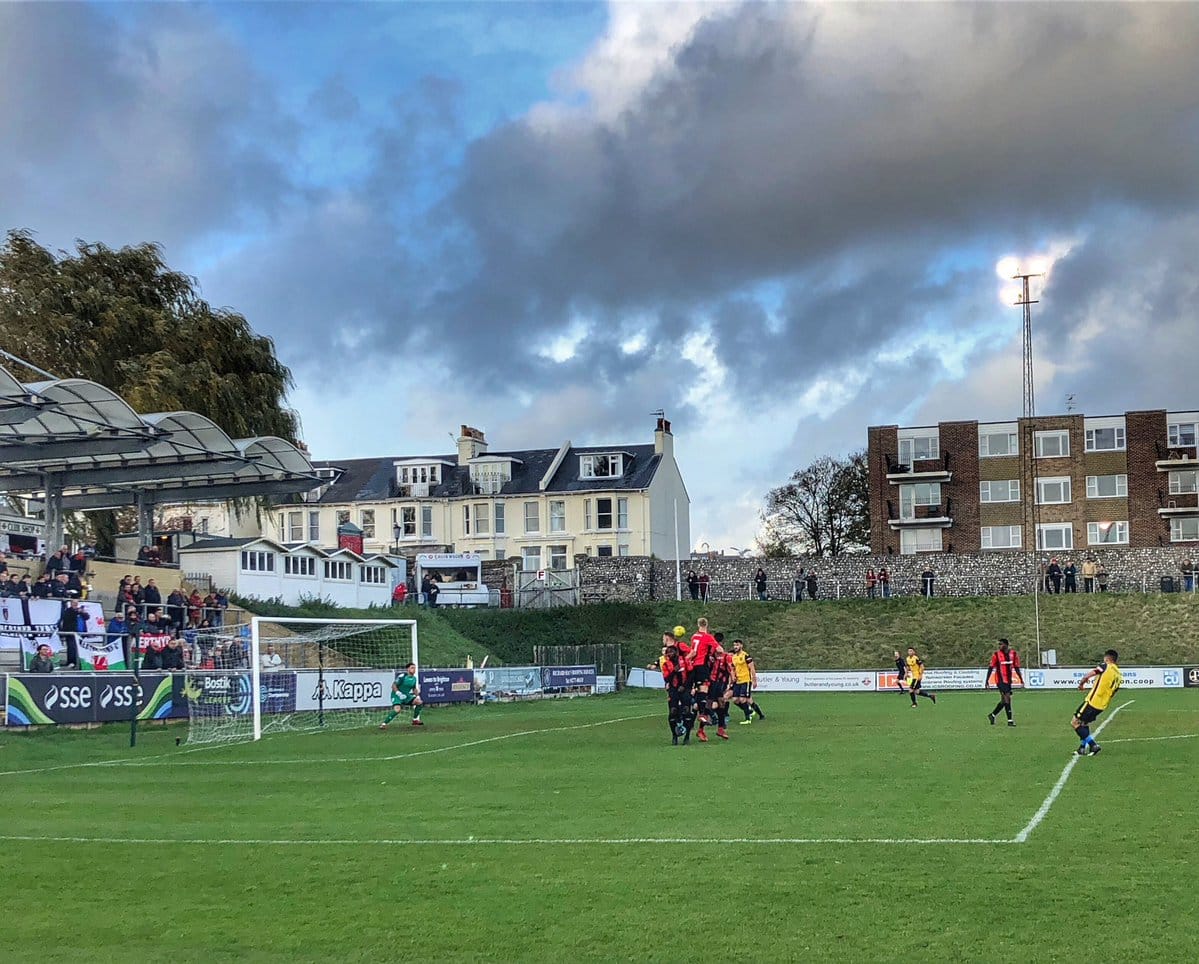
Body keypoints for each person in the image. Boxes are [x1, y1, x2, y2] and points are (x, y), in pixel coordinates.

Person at [1072, 650, 1123, 756]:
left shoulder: (1105, 666)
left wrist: (1081, 684)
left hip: (1092, 701)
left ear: (1107, 658)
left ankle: (1093, 745)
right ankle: (1082, 748)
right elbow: (1114, 692)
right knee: (1084, 723)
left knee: (1075, 722)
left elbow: (1089, 675)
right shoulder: (1118, 674)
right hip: (1102, 705)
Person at [688, 617, 719, 734]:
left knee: (697, 691)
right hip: (702, 667)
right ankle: (703, 714)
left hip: (693, 666)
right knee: (704, 690)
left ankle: (696, 722)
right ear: (707, 625)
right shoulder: (708, 637)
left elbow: (693, 651)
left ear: (698, 624)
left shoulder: (694, 636)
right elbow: (719, 649)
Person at [985, 638, 1024, 726]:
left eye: (1001, 644)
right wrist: (987, 680)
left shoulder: (1013, 654)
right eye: (999, 644)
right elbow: (991, 668)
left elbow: (1017, 667)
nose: (999, 646)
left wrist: (1021, 679)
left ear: (1006, 645)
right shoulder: (996, 655)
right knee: (1007, 698)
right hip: (1000, 680)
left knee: (1004, 701)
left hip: (1008, 681)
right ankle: (1010, 721)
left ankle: (992, 715)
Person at [380, 662, 424, 727]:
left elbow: (414, 688)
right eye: (412, 668)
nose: (414, 669)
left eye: (414, 668)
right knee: (397, 710)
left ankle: (415, 720)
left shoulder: (414, 678)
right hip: (397, 695)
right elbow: (393, 685)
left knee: (419, 702)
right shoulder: (402, 676)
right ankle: (384, 724)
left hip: (406, 696)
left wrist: (417, 696)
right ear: (408, 669)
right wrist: (398, 693)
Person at [731, 639, 764, 723]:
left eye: (737, 645)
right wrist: (733, 676)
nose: (735, 647)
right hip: (738, 681)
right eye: (734, 645)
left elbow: (752, 668)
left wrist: (754, 680)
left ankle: (748, 718)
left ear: (741, 646)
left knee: (743, 699)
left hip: (746, 680)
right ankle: (758, 714)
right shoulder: (734, 657)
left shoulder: (746, 655)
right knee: (736, 700)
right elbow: (732, 668)